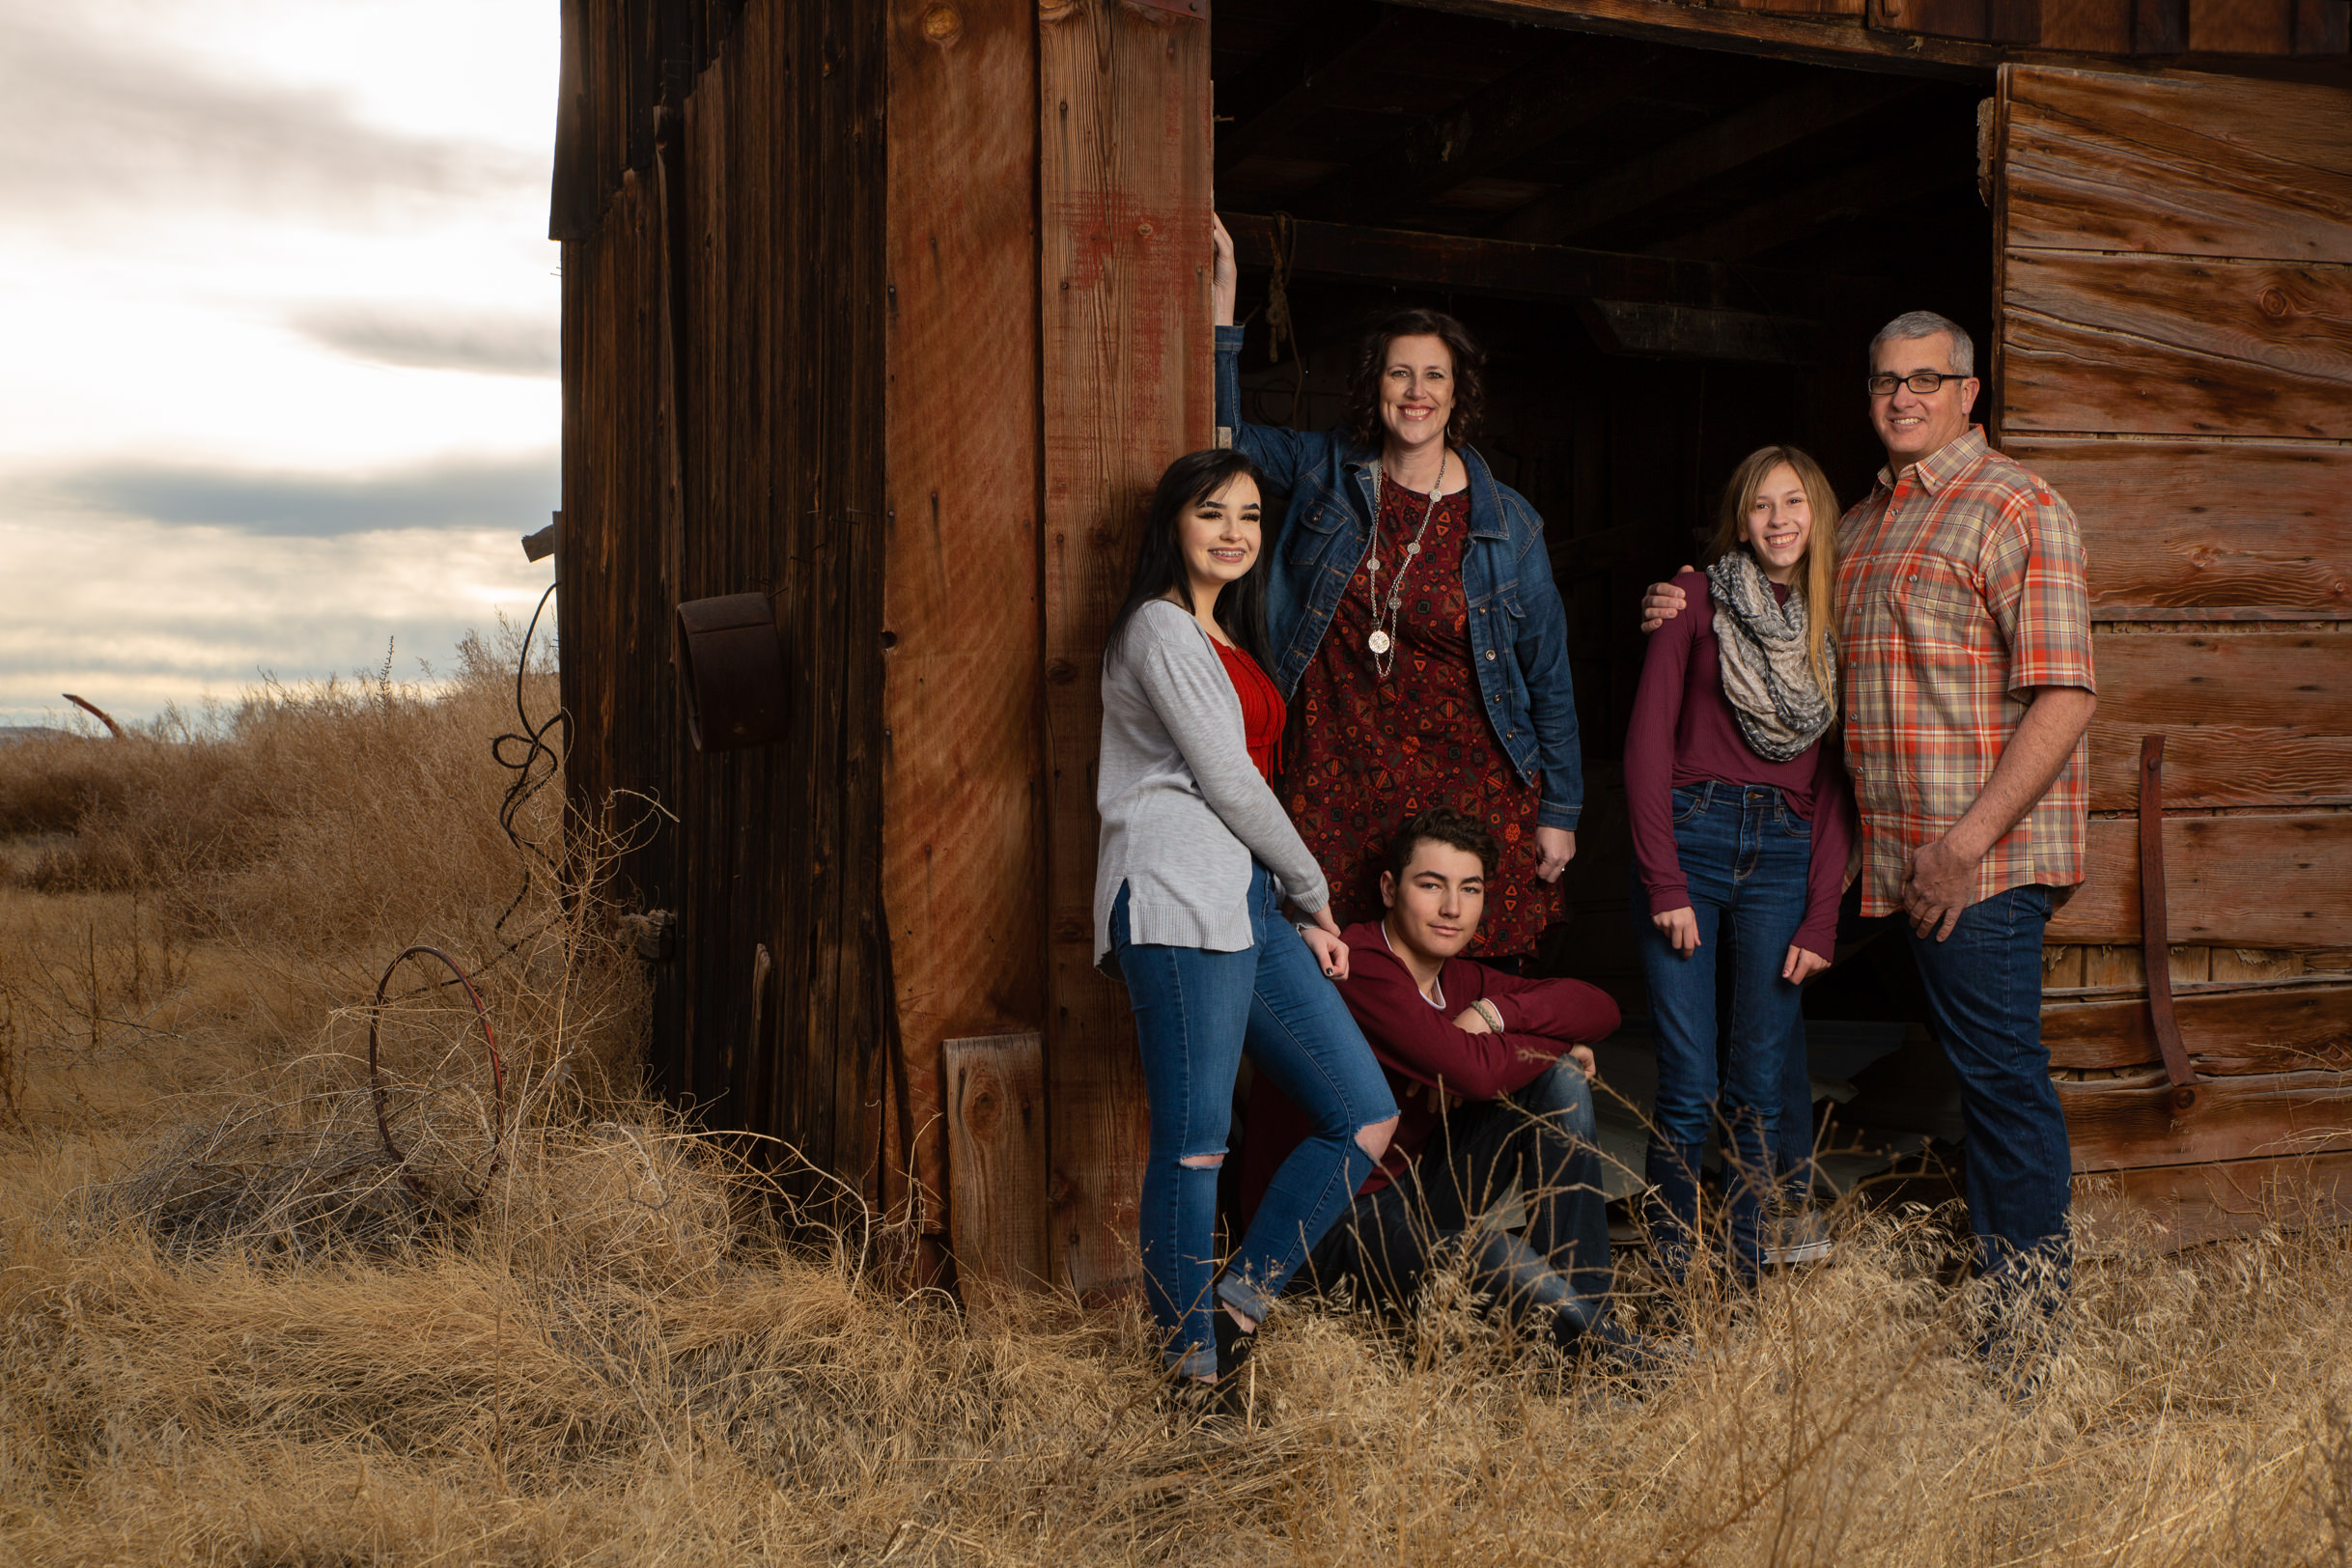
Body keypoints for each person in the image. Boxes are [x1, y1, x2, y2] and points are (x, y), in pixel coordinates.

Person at [1641, 311, 2096, 1353]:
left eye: (1926, 380)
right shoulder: (1871, 518)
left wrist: (1966, 843)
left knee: (2000, 1083)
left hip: (1972, 860)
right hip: (1879, 856)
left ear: (1968, 393)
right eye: (1886, 380)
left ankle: (2024, 1340)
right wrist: (1684, 601)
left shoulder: (2017, 507)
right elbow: (1775, 594)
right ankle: (1831, 1244)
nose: (1903, 397)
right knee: (1820, 1021)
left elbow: (2066, 697)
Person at [1096, 447, 1400, 1395]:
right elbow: (1229, 780)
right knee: (1194, 1145)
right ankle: (1187, 1370)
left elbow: (1244, 780)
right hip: (1181, 898)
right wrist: (1314, 889)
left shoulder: (1223, 635)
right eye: (1210, 513)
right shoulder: (1157, 630)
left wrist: (1282, 902)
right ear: (1172, 527)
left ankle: (1234, 1311)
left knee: (1363, 1116)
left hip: (1243, 899)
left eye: (1249, 516)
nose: (1233, 531)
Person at [1209, 215, 1582, 966]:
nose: (1416, 392)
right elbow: (1223, 438)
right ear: (1374, 386)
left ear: (1458, 394)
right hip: (1337, 776)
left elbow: (1548, 678)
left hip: (1470, 784)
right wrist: (1224, 309)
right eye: (1398, 373)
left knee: (1470, 976)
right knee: (1337, 968)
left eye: (1434, 375)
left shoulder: (1510, 525)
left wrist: (1561, 810)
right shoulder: (1324, 472)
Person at [1236, 806, 1636, 1358]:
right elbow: (1472, 1073)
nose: (1452, 908)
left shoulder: (1462, 978)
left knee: (1559, 1084)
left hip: (1410, 1195)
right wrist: (1559, 1045)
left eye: (1469, 889)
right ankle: (1613, 1352)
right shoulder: (1359, 964)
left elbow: (1600, 1007)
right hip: (1326, 1224)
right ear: (1389, 888)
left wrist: (1493, 1013)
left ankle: (1593, 1323)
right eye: (1431, 885)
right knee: (1495, 1254)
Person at [1627, 446, 1854, 1285]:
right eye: (1761, 505)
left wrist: (1822, 914)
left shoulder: (1837, 617)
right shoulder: (1692, 598)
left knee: (1757, 1087)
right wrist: (1663, 880)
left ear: (1818, 514)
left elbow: (1838, 782)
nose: (1779, 520)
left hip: (1785, 854)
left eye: (1794, 502)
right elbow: (1647, 745)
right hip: (1692, 834)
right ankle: (1672, 1272)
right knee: (1689, 1083)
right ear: (1740, 517)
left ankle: (1750, 1271)